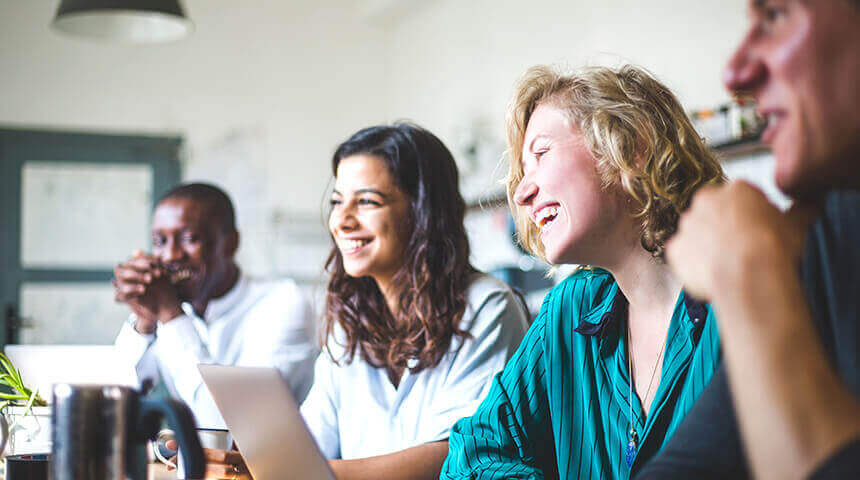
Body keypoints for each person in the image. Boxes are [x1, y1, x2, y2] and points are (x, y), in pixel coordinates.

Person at [440, 64, 725, 479]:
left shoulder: (741, 296)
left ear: (631, 147)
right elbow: (470, 457)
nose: (522, 190)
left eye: (541, 154)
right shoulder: (571, 312)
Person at [206, 123, 530, 480]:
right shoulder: (349, 321)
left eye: (366, 202)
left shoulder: (488, 306)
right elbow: (312, 441)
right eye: (337, 202)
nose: (341, 221)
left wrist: (301, 473)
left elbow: (454, 457)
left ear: (424, 213)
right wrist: (247, 460)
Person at [638, 1, 860, 479]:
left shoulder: (772, 251)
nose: (735, 74)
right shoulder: (836, 225)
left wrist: (752, 274)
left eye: (776, 15)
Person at [113, 183, 317, 429]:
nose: (170, 256)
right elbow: (115, 406)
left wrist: (170, 314)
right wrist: (144, 319)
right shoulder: (176, 310)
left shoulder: (283, 303)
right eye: (160, 241)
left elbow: (237, 428)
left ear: (230, 243)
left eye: (189, 238)